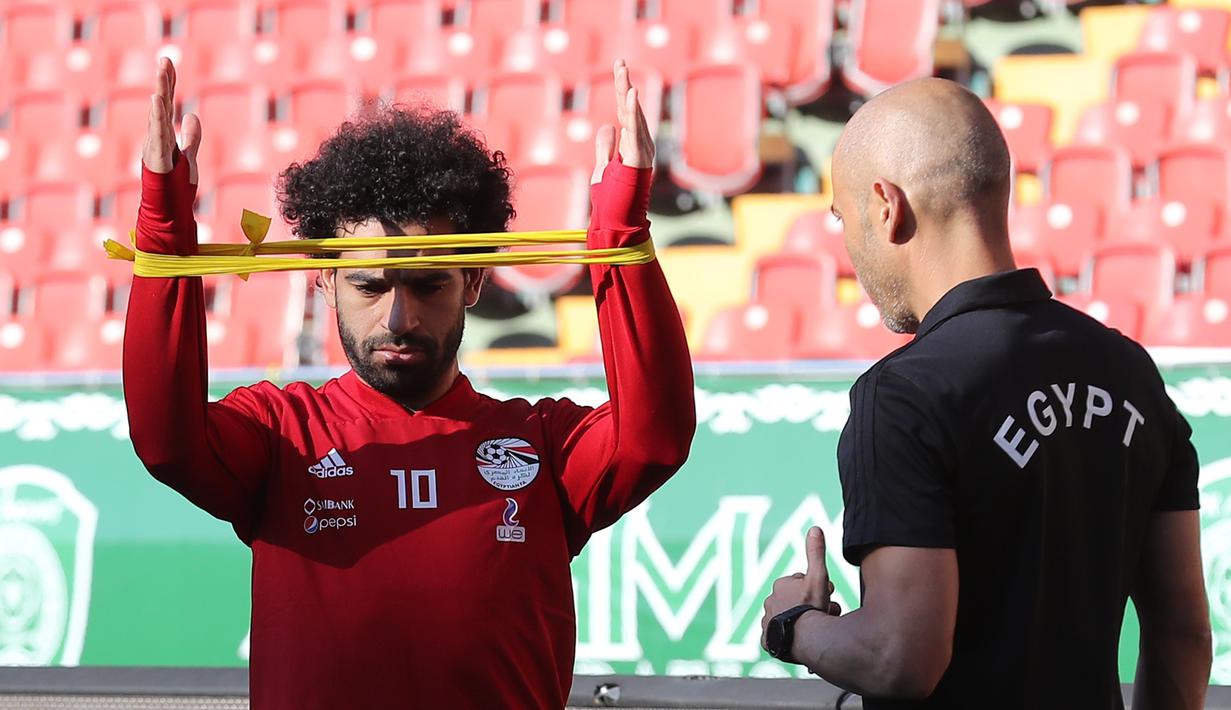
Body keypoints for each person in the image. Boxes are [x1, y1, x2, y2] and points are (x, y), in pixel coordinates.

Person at [125, 56, 695, 709]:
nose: (398, 318)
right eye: (369, 286)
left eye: (427, 285)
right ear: (326, 281)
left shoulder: (541, 442)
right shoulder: (280, 431)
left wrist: (622, 235)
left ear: (474, 282)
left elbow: (655, 441)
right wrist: (164, 232)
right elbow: (164, 442)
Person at [759, 78, 1212, 709]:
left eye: (844, 216)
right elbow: (1184, 633)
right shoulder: (1129, 369)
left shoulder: (903, 395)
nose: (847, 247)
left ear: (887, 207)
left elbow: (902, 657)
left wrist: (795, 627)